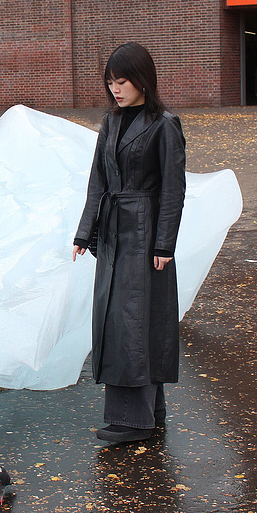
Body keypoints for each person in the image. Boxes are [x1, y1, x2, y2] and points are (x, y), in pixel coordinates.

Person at [72, 42, 186, 444]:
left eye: (122, 81)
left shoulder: (164, 124)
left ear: (142, 80)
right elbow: (98, 179)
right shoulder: (111, 122)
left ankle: (132, 420)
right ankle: (149, 413)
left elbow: (174, 190)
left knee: (134, 325)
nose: (115, 89)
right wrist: (85, 232)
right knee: (117, 322)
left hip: (145, 232)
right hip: (114, 233)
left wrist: (164, 244)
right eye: (110, 82)